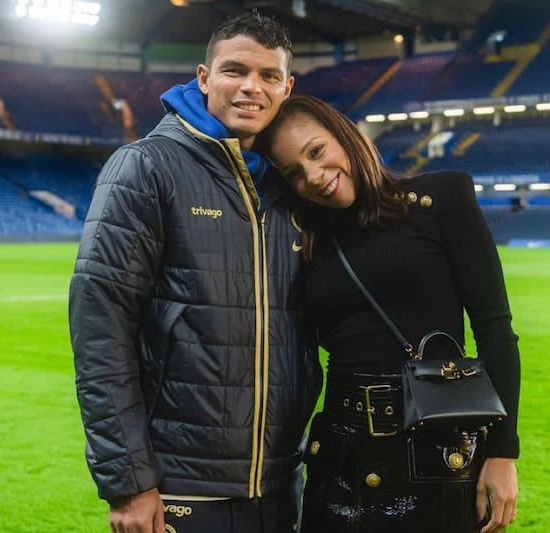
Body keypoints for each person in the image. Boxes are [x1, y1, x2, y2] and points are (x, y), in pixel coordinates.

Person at [68, 13, 322, 533]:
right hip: (181, 488)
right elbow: (101, 334)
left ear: (287, 88)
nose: (251, 87)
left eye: (268, 76)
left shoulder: (291, 185)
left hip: (280, 485)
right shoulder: (145, 167)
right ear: (204, 78)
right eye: (235, 71)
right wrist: (129, 482)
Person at [256, 95, 521, 533]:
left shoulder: (441, 199)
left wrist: (502, 452)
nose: (314, 177)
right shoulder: (306, 239)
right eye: (294, 174)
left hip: (435, 457)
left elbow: (495, 329)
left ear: (346, 136)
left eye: (316, 151)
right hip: (338, 459)